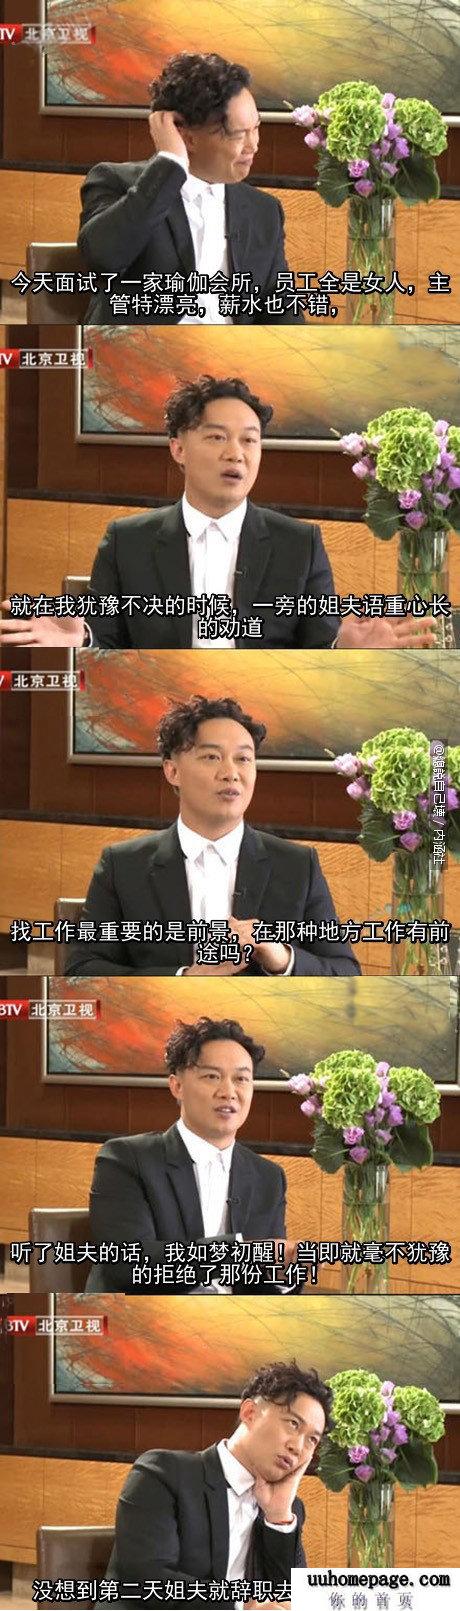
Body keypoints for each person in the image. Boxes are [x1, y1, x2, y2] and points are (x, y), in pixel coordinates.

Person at [0, 377, 438, 651]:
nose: (236, 454)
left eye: (249, 440)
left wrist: (344, 648)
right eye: (216, 438)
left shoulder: (299, 543)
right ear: (178, 448)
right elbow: (106, 633)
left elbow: (319, 641)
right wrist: (83, 637)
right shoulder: (126, 540)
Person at [65, 694, 361, 977]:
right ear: (172, 771)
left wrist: (281, 957)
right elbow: (82, 970)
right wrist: (183, 978)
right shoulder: (122, 865)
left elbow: (345, 972)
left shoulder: (297, 865)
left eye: (243, 759)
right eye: (212, 757)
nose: (231, 773)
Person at [78, 52, 305, 326]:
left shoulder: (264, 210)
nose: (253, 145)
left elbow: (281, 310)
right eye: (238, 134)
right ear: (186, 137)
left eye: (255, 128)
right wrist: (170, 164)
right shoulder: (116, 182)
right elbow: (102, 259)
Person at [85, 1015, 297, 1294]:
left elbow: (262, 1285)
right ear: (177, 1086)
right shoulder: (125, 1159)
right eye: (212, 1076)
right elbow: (128, 1264)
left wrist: (284, 1274)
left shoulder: (268, 1177)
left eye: (241, 1079)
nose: (229, 1092)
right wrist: (238, 1252)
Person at [103, 1360, 332, 1607]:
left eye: (312, 1440)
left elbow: (290, 1599)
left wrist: (278, 1518)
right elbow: (147, 1581)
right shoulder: (163, 1473)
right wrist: (240, 1607)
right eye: (293, 1424)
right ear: (249, 1413)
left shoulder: (288, 1510)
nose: (298, 1447)